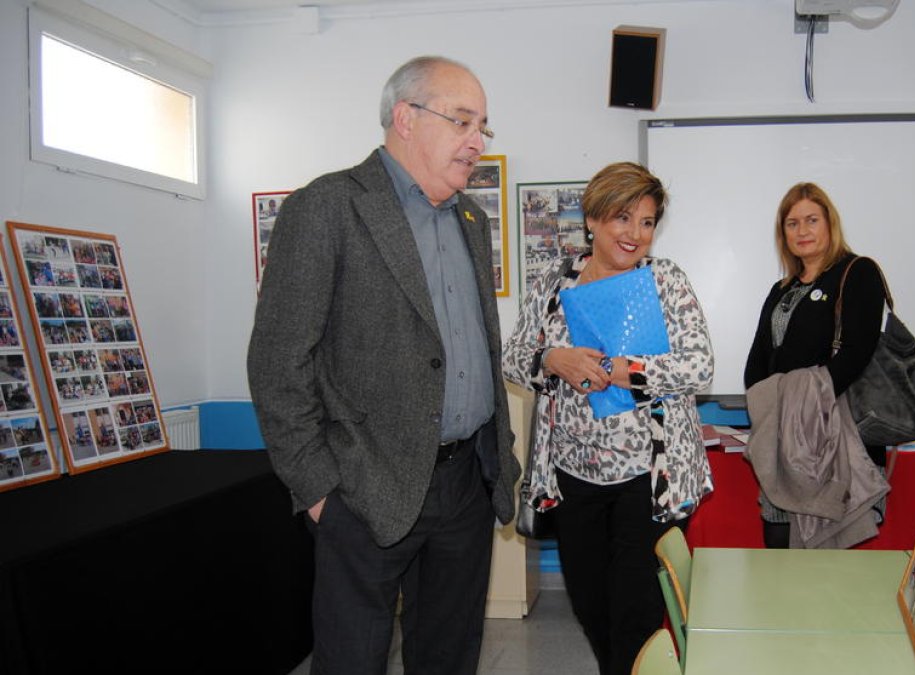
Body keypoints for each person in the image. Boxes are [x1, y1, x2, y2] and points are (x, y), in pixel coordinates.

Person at [246, 56, 520, 675]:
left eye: (484, 127)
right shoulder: (328, 208)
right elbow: (277, 361)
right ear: (405, 118)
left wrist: (497, 461)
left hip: (465, 484)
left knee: (448, 657)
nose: (477, 141)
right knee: (352, 659)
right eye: (463, 121)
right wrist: (318, 491)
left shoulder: (472, 221)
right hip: (365, 486)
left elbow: (478, 348)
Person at [502, 162, 713, 675]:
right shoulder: (555, 282)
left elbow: (699, 365)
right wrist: (555, 360)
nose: (635, 234)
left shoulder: (664, 281)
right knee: (591, 604)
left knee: (636, 613)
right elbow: (512, 355)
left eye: (646, 223)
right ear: (593, 219)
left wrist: (625, 370)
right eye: (623, 218)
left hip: (650, 479)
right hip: (575, 477)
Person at [743, 182, 888, 549]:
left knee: (827, 564)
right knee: (777, 546)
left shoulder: (857, 273)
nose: (802, 231)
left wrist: (804, 406)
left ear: (829, 224)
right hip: (780, 440)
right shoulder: (782, 289)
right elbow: (758, 359)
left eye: (811, 220)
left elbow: (856, 353)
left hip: (831, 435)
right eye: (792, 224)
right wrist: (768, 411)